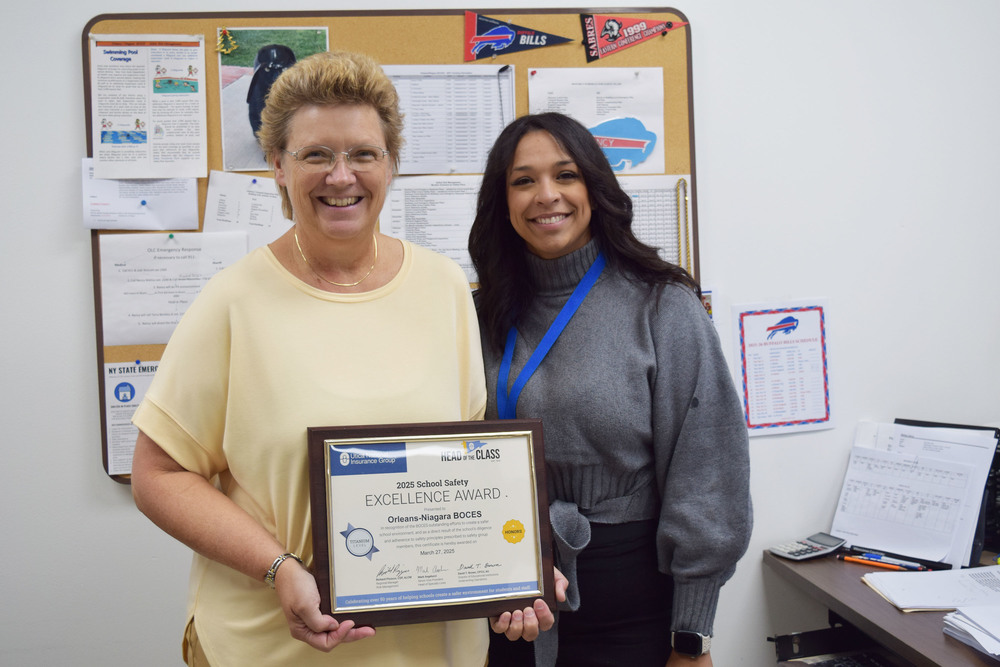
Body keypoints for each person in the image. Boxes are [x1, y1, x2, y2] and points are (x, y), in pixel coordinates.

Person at [130, 50, 552, 667]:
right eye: (316, 155)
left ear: (391, 164)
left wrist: (514, 572)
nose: (341, 176)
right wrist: (277, 568)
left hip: (432, 650)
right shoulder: (231, 303)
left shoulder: (442, 288)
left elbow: (465, 460)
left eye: (362, 154)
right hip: (275, 648)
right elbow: (158, 476)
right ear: (277, 165)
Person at [468, 112, 752, 667]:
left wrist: (692, 639)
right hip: (510, 605)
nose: (546, 195)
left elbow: (708, 472)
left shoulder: (662, 304)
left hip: (633, 620)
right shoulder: (476, 315)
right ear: (502, 203)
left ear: (594, 188)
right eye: (523, 181)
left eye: (565, 175)